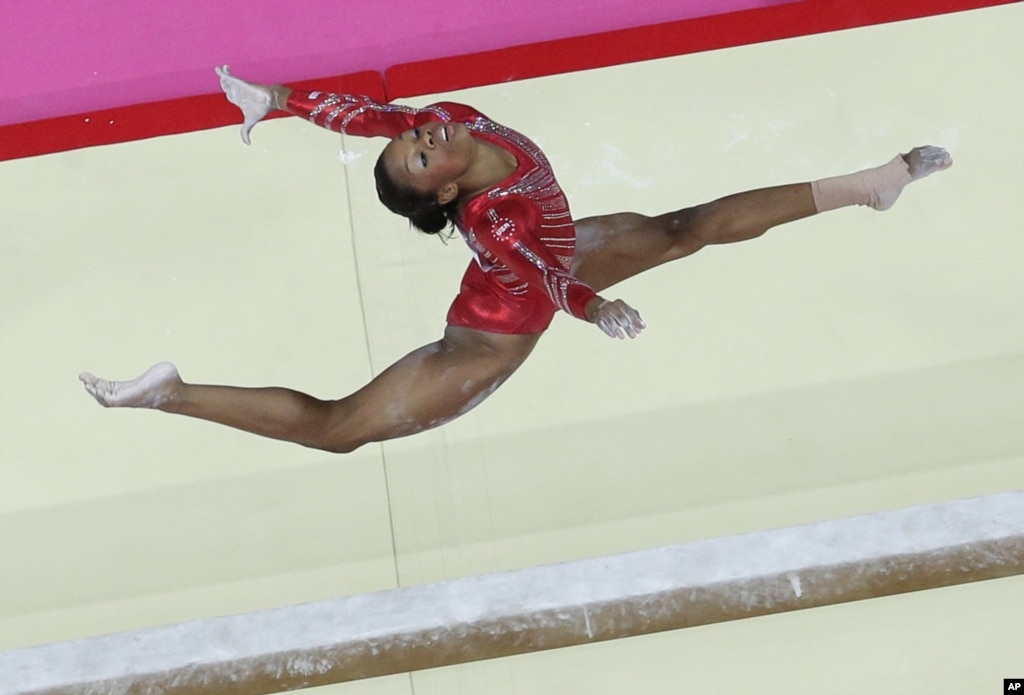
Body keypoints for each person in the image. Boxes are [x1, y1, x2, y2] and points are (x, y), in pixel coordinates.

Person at [79, 65, 952, 453]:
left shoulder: (456, 122)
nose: (425, 133)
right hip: (495, 330)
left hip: (561, 251)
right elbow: (547, 280)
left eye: (421, 137)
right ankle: (174, 393)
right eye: (424, 154)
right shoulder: (498, 218)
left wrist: (279, 99)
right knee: (339, 428)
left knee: (684, 227)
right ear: (447, 197)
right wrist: (596, 308)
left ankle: (871, 183)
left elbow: (370, 116)